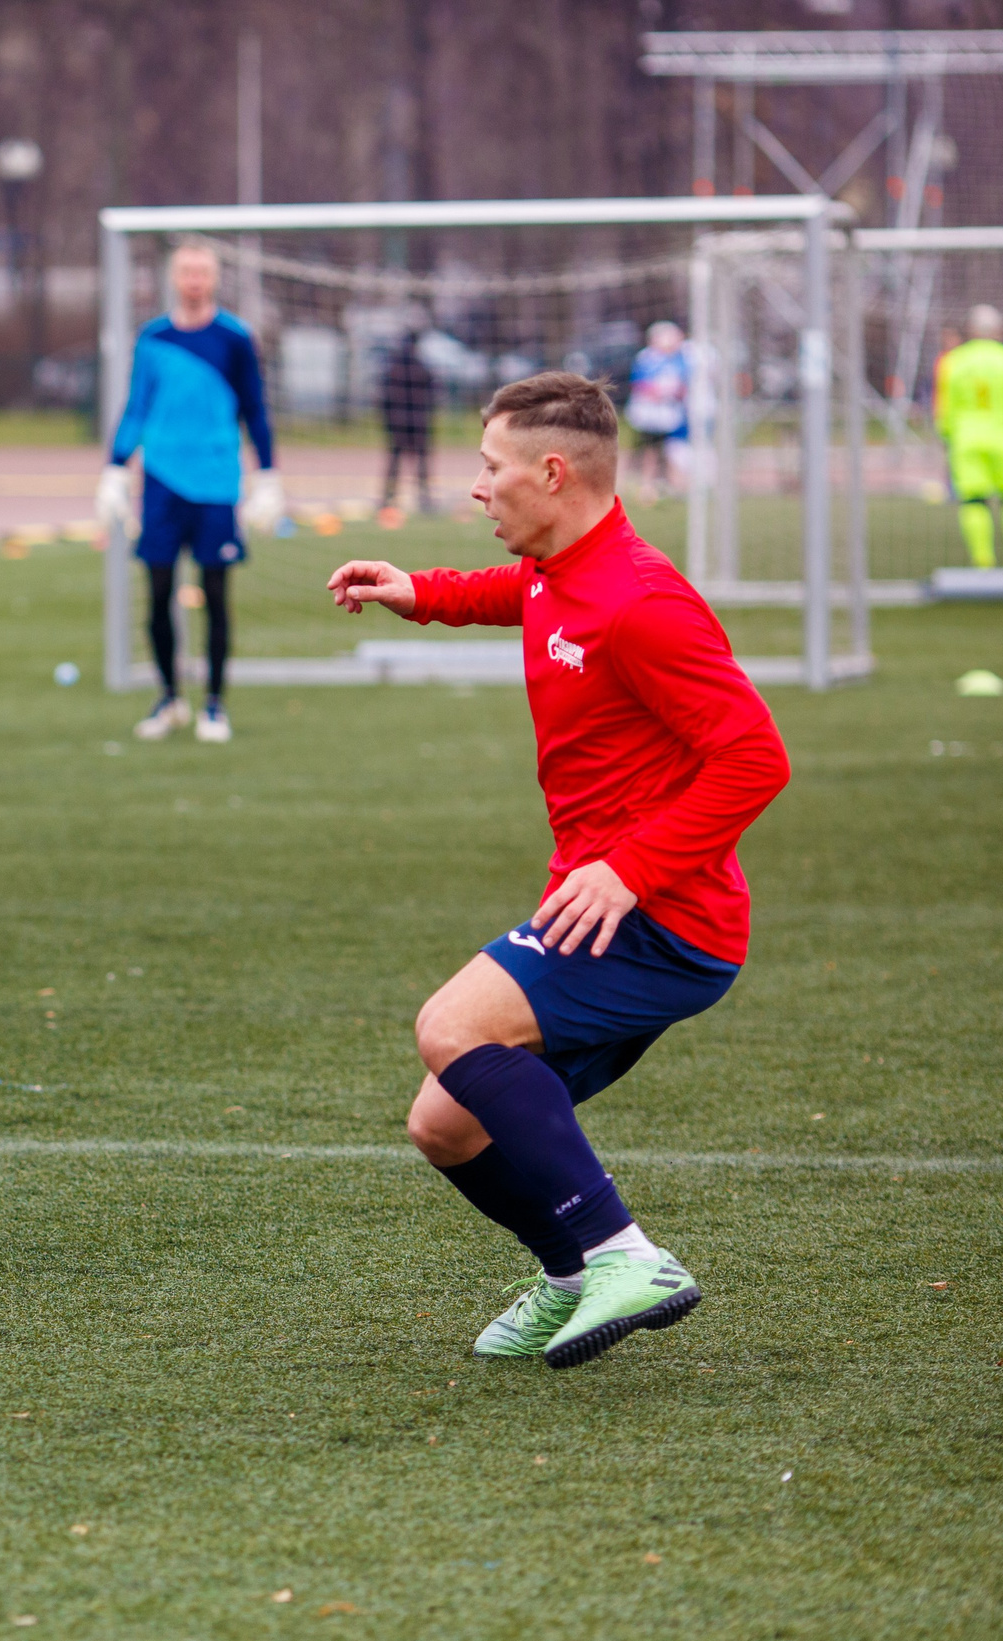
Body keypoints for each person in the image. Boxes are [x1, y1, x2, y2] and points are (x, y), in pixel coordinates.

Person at [326, 371, 790, 1370]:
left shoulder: (642, 601)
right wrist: (422, 595)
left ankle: (626, 1253)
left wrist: (629, 869)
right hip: (610, 904)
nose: (476, 488)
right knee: (443, 1122)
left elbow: (756, 756)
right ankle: (572, 1276)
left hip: (662, 919)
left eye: (489, 468)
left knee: (448, 1025)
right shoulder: (560, 564)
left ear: (550, 471)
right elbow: (527, 599)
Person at [95, 240, 280, 745]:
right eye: (186, 271)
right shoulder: (152, 338)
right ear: (174, 277)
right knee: (157, 593)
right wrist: (115, 469)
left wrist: (268, 476)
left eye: (203, 271)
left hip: (217, 485)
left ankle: (215, 704)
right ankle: (170, 698)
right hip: (161, 484)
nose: (194, 279)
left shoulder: (235, 338)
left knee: (217, 594)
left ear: (214, 278)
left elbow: (255, 410)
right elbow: (136, 407)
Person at [937, 305, 1003, 568]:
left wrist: (947, 435)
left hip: (966, 439)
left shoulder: (953, 361)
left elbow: (945, 408)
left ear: (971, 330)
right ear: (999, 330)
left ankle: (982, 561)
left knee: (974, 500)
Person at [623, 321, 692, 502]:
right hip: (649, 414)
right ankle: (645, 485)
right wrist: (659, 391)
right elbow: (640, 384)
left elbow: (684, 384)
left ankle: (676, 485)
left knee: (673, 449)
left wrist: (675, 392)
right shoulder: (646, 358)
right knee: (648, 450)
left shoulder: (680, 358)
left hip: (670, 414)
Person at [379, 327, 435, 515]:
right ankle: (423, 498)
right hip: (416, 421)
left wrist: (387, 420)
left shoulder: (394, 368)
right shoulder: (420, 368)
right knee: (418, 461)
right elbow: (433, 394)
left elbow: (383, 398)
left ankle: (389, 497)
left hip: (400, 422)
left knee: (398, 460)